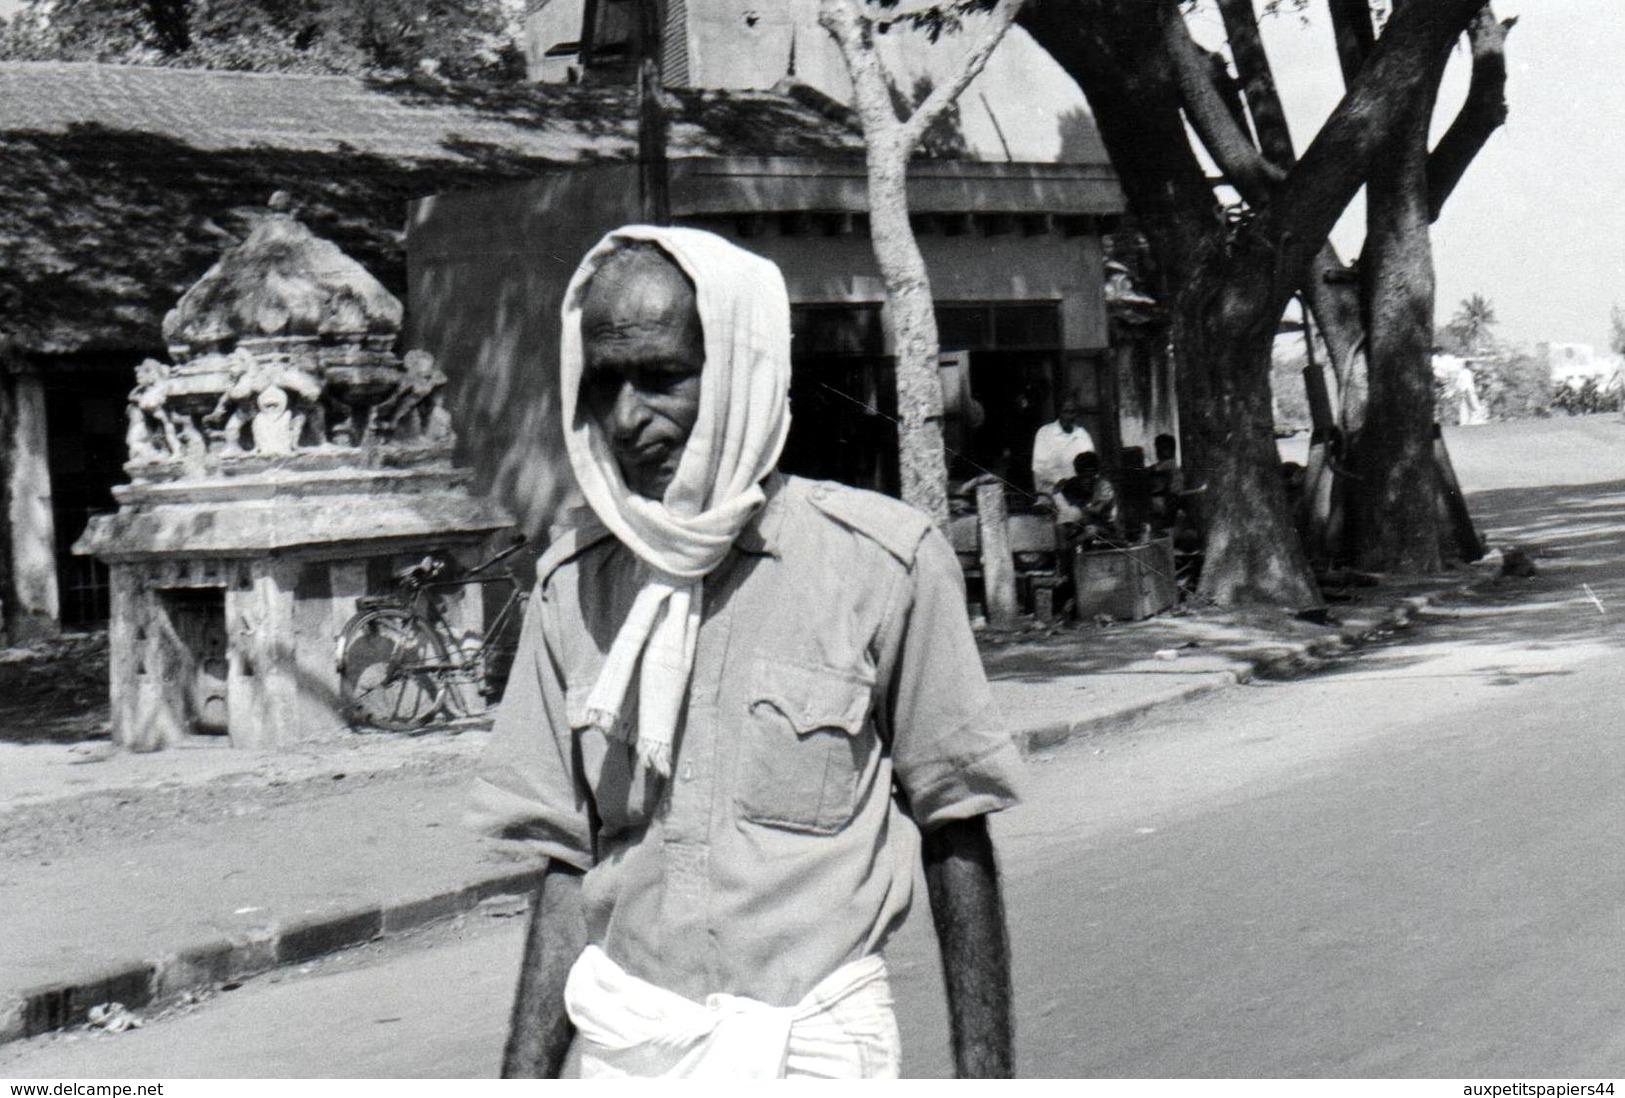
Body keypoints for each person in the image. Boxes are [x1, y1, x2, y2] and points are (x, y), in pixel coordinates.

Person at [469, 226, 1024, 1080]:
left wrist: (985, 1075)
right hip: (631, 1043)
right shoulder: (570, 589)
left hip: (817, 1049)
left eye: (660, 378)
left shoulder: (882, 563)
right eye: (603, 383)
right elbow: (565, 867)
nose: (625, 418)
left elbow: (955, 827)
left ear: (738, 371)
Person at [1029, 398, 1094, 521]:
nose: (1070, 416)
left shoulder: (1082, 434)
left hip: (1079, 489)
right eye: (1066, 412)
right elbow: (1039, 467)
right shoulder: (1045, 433)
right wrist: (1059, 480)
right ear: (1059, 412)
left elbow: (1090, 464)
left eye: (1073, 412)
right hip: (1053, 488)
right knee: (1072, 514)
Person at [1057, 451, 1118, 548]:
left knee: (1091, 531)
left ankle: (1066, 549)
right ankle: (1063, 552)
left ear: (1096, 474)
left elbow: (1097, 510)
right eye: (1083, 476)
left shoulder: (1104, 486)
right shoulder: (1072, 484)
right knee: (1060, 528)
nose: (1087, 480)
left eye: (1090, 476)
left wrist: (1080, 508)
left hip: (1104, 528)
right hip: (1081, 524)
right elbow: (1060, 499)